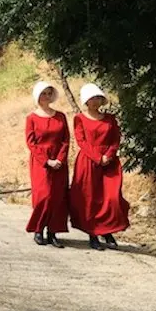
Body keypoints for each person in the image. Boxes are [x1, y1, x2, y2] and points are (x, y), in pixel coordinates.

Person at [69, 84, 130, 250]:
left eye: (97, 98)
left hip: (109, 163)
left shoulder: (110, 119)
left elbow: (115, 139)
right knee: (90, 198)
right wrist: (97, 157)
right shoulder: (79, 119)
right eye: (91, 99)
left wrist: (108, 155)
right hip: (88, 161)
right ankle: (93, 233)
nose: (94, 102)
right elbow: (81, 141)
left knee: (111, 198)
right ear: (86, 101)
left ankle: (107, 229)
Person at [25, 82, 70, 248]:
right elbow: (31, 143)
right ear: (37, 96)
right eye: (43, 93)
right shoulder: (32, 118)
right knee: (44, 196)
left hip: (59, 161)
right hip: (40, 162)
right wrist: (46, 160)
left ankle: (53, 232)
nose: (46, 96)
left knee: (58, 197)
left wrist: (60, 158)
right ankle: (39, 229)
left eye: (49, 93)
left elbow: (65, 139)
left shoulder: (60, 116)